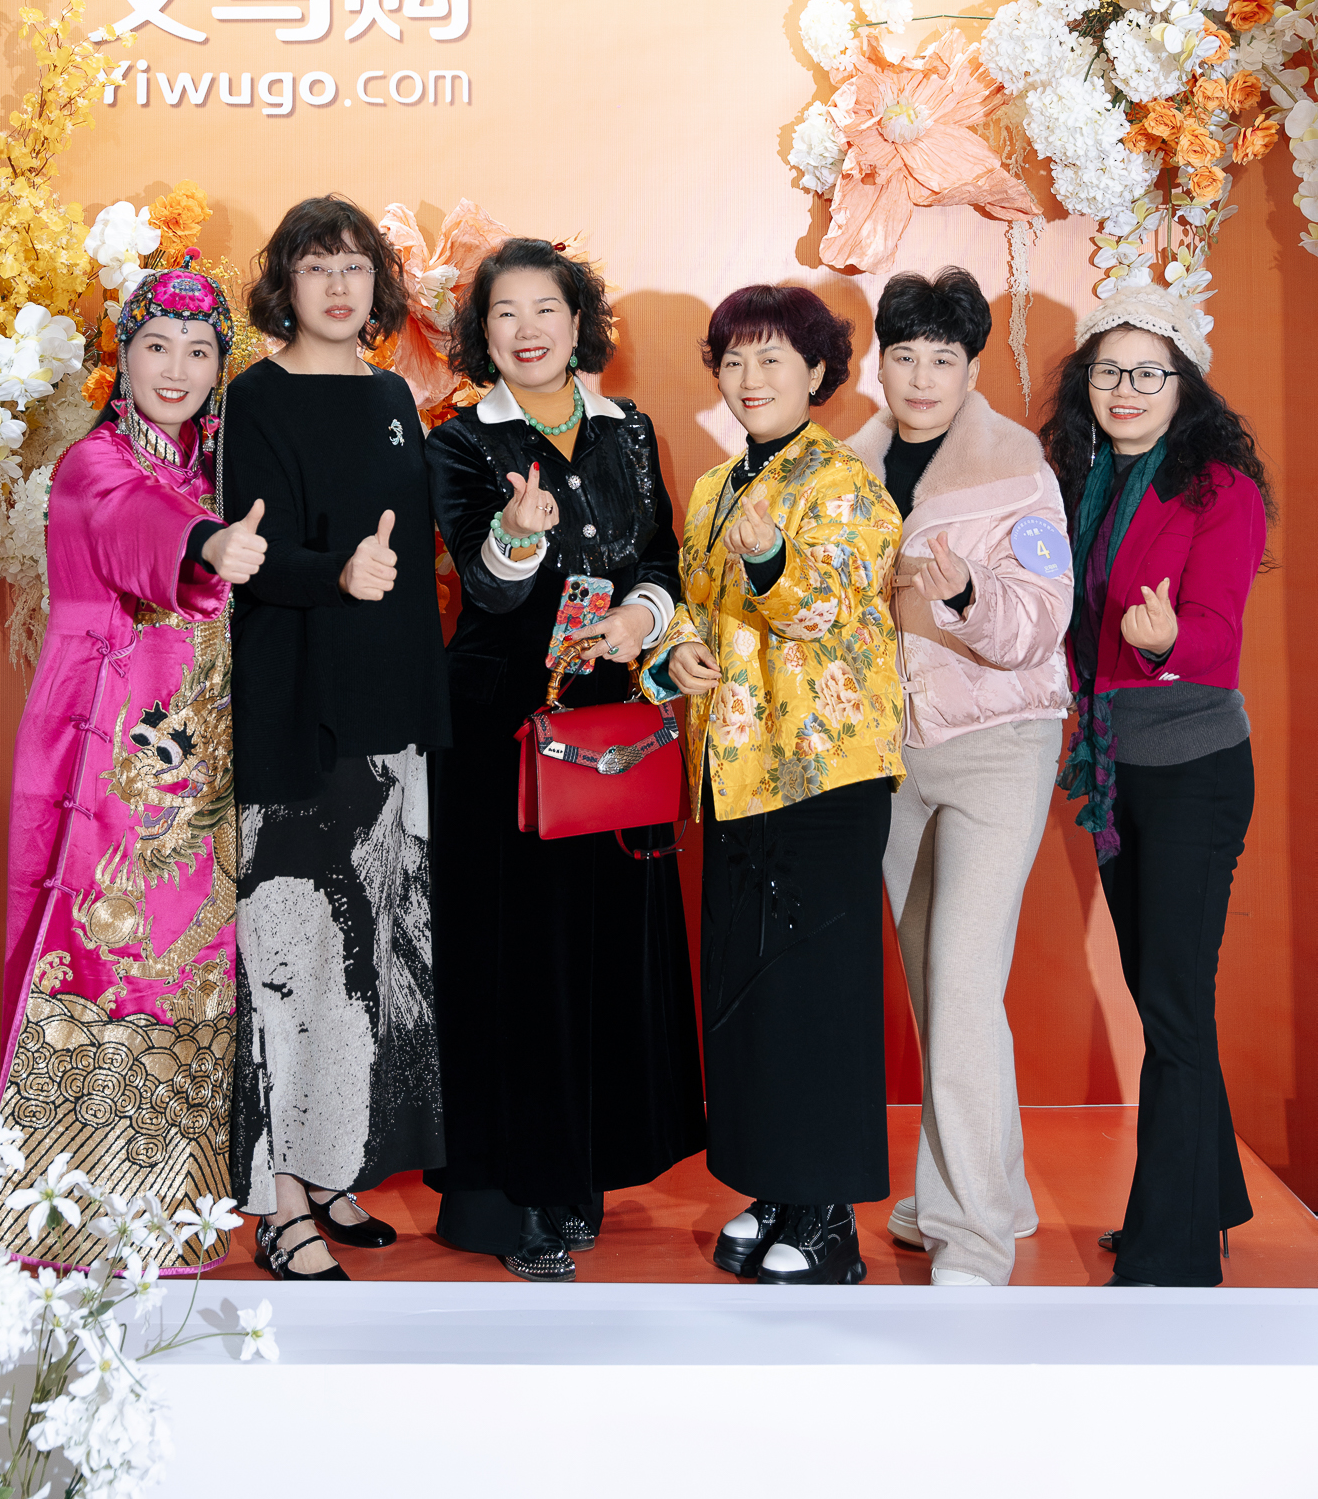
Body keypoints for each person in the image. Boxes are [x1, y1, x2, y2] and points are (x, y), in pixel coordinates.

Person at [0, 261, 266, 1270]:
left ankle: (167, 1208)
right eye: (156, 347)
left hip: (203, 768)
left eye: (199, 351)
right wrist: (208, 547)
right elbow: (128, 524)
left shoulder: (222, 466)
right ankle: (61, 1217)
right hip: (102, 753)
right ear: (123, 357)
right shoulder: (93, 463)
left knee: (193, 969)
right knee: (99, 947)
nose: (176, 369)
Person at [424, 238, 705, 1281]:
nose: (528, 329)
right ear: (482, 333)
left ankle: (583, 1174)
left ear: (579, 322)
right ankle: (522, 1194)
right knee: (519, 962)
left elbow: (660, 556)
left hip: (611, 724)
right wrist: (517, 535)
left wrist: (638, 618)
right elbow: (487, 590)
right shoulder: (460, 442)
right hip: (503, 731)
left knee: (602, 951)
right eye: (505, 313)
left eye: (546, 308)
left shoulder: (627, 429)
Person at [644, 283, 904, 1286]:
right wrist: (673, 656)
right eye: (733, 360)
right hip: (733, 768)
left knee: (817, 992)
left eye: (772, 359)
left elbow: (828, 606)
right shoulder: (715, 486)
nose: (749, 379)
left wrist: (770, 561)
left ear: (817, 372)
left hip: (824, 771)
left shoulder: (845, 484)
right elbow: (690, 606)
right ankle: (772, 1187)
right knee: (749, 991)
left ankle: (828, 1215)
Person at [224, 195, 452, 1282]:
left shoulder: (392, 394)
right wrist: (337, 573)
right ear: (285, 283)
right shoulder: (254, 397)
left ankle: (328, 1170)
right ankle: (279, 1206)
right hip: (298, 716)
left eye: (355, 265)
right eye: (316, 266)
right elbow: (246, 553)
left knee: (369, 958)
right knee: (289, 959)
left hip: (389, 724)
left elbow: (415, 556)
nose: (337, 285)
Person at [1041, 284, 1270, 1288]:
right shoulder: (1085, 482)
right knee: (1160, 994)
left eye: (1147, 372)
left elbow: (1217, 630)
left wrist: (1169, 638)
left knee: (1172, 1006)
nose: (1125, 388)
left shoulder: (1218, 488)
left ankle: (1172, 1251)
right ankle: (1205, 1196)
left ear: (1184, 386)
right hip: (1113, 765)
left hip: (1191, 770)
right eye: (1107, 371)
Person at [856, 267, 1072, 1287]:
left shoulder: (1014, 466)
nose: (920, 378)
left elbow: (1042, 621)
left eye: (941, 359)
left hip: (998, 744)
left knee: (964, 982)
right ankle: (992, 1190)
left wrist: (966, 593)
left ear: (971, 369)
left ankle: (971, 1237)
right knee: (932, 990)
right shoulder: (847, 467)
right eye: (903, 356)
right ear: (879, 362)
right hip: (896, 757)